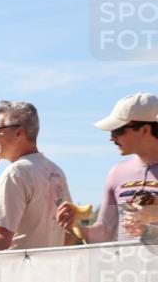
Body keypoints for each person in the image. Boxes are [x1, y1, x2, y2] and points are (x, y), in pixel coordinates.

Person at [0, 101, 71, 252]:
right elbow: (69, 234)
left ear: (19, 133)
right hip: (50, 271)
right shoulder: (56, 172)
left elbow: (1, 241)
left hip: (17, 272)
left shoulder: (15, 174)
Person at [57, 92, 158, 243]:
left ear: (144, 130)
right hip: (128, 266)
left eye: (117, 130)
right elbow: (103, 233)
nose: (112, 138)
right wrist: (74, 227)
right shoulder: (117, 173)